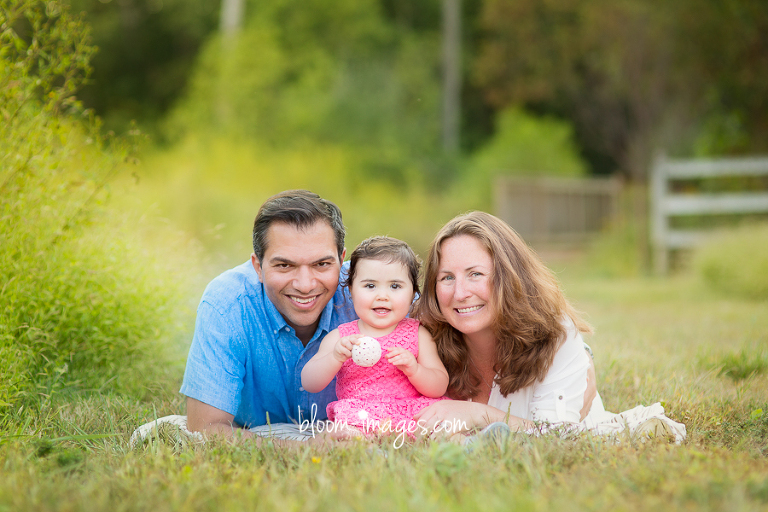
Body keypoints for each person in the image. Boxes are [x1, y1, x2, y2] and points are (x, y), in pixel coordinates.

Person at [412, 211, 685, 443]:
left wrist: (477, 415)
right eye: (447, 277)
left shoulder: (553, 338)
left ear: (509, 276)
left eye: (476, 274)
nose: (460, 293)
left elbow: (558, 438)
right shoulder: (424, 335)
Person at [180, 190, 357, 438]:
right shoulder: (227, 303)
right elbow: (205, 427)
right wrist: (306, 449)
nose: (305, 285)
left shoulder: (376, 293)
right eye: (284, 265)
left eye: (321, 264)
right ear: (258, 267)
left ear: (341, 260)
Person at [301, 236, 449, 436]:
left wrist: (414, 370)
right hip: (360, 415)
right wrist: (335, 358)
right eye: (370, 286)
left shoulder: (417, 333)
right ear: (351, 290)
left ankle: (470, 444)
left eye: (395, 286)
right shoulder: (341, 338)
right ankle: (368, 453)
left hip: (410, 413)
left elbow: (439, 386)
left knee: (441, 429)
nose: (382, 296)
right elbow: (309, 382)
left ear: (413, 292)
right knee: (343, 435)